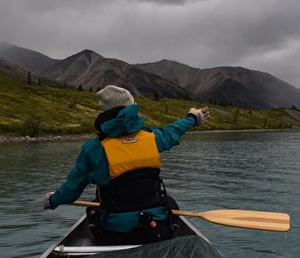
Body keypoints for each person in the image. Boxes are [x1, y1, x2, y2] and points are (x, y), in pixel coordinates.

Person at [43, 85, 210, 244]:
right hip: (156, 230)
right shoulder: (153, 137)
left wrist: (52, 200)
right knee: (169, 203)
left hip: (115, 234)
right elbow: (173, 130)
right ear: (132, 110)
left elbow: (71, 190)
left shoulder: (93, 149)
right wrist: (193, 118)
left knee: (94, 208)